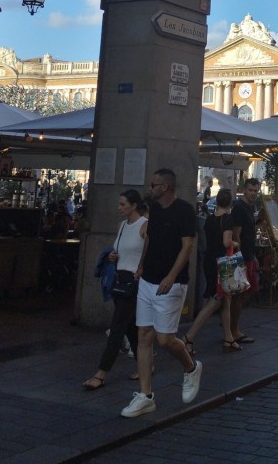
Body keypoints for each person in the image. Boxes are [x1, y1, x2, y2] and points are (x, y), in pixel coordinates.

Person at [120, 167, 202, 418]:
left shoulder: (185, 210)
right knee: (144, 335)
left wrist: (171, 276)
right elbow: (150, 239)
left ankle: (191, 368)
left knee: (165, 339)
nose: (149, 188)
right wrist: (142, 264)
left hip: (171, 283)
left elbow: (187, 247)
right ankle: (145, 396)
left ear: (165, 187)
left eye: (153, 184)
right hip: (147, 279)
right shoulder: (153, 209)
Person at [82, 189, 147, 390]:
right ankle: (146, 365)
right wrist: (112, 256)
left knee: (118, 326)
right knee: (130, 326)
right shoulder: (121, 226)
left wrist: (142, 267)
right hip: (120, 278)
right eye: (119, 204)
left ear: (134, 205)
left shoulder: (145, 225)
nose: (119, 208)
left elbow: (150, 251)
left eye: (123, 204)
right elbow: (118, 250)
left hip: (134, 281)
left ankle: (101, 373)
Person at [182, 188, 242, 354]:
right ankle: (188, 337)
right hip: (222, 262)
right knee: (216, 300)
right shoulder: (228, 219)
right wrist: (236, 244)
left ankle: (228, 337)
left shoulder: (209, 219)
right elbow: (226, 242)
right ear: (230, 202)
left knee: (226, 299)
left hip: (210, 260)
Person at [229, 177, 262, 345]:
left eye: (256, 191)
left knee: (251, 289)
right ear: (244, 189)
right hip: (241, 257)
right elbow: (236, 235)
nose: (253, 193)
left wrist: (253, 255)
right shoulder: (239, 208)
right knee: (239, 294)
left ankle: (232, 323)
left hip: (249, 255)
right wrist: (239, 257)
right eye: (251, 190)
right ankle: (233, 329)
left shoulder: (250, 207)